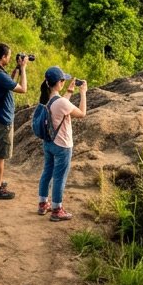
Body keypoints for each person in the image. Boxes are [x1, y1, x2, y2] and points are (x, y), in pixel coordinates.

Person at [36, 66, 87, 222]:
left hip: (49, 142)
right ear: (58, 83)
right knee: (59, 177)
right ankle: (57, 209)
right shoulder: (62, 102)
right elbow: (82, 113)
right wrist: (83, 93)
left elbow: (61, 105)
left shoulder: (46, 99)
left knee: (47, 172)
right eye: (63, 80)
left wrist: (70, 92)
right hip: (62, 145)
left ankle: (43, 204)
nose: (64, 82)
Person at [0, 43, 28, 199]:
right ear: (3, 57)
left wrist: (15, 69)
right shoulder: (0, 75)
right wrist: (23, 69)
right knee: (0, 154)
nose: (10, 57)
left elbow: (7, 84)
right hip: (3, 119)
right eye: (8, 55)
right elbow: (23, 89)